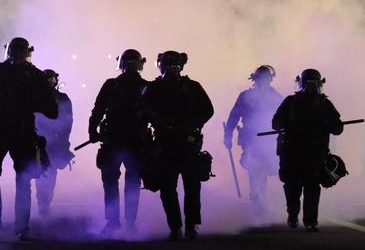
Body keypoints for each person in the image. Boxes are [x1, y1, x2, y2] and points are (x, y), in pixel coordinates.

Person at [0, 37, 58, 241]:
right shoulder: (0, 72)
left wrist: (28, 104)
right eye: (14, 51)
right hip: (1, 130)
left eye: (19, 51)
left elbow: (52, 110)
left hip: (21, 131)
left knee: (19, 179)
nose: (15, 55)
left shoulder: (33, 76)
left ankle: (18, 227)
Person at [139, 51, 214, 240]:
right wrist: (155, 120)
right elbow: (141, 111)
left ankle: (190, 226)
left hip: (187, 143)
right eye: (167, 65)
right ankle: (175, 227)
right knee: (167, 188)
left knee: (191, 187)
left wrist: (193, 125)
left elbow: (207, 110)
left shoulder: (192, 87)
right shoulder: (153, 88)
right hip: (164, 143)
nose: (170, 69)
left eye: (174, 66)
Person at [272, 68, 343, 232]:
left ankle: (310, 220)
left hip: (314, 154)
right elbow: (276, 122)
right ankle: (294, 215)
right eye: (308, 82)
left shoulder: (324, 104)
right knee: (293, 187)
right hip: (292, 152)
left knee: (310, 187)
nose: (310, 86)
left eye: (313, 83)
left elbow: (338, 128)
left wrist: (327, 122)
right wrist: (284, 126)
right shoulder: (291, 102)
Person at [88, 49, 148, 236]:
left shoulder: (114, 84)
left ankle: (117, 222)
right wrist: (93, 129)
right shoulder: (143, 85)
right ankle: (125, 222)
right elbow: (98, 109)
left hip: (124, 139)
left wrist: (93, 130)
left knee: (114, 181)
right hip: (126, 139)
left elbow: (98, 110)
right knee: (127, 181)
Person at [224, 65, 283, 212]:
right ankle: (258, 199)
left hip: (270, 140)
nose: (263, 82)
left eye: (265, 79)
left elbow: (284, 117)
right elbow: (234, 116)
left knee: (269, 168)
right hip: (251, 140)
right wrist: (228, 135)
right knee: (255, 169)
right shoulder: (245, 96)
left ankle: (261, 198)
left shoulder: (276, 97)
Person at [34, 69, 74, 217]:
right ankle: (42, 205)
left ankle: (44, 205)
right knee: (38, 173)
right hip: (37, 139)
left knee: (48, 174)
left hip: (52, 141)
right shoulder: (33, 97)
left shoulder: (61, 99)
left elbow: (67, 122)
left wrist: (63, 142)